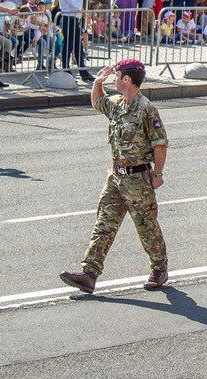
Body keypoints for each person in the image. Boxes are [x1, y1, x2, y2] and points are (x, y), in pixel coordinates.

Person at [59, 59, 170, 294]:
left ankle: (160, 268)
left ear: (126, 80)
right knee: (104, 225)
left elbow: (160, 144)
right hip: (116, 178)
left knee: (146, 227)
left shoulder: (146, 109)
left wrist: (158, 174)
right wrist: (97, 83)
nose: (114, 79)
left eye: (116, 76)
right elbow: (98, 102)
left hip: (138, 179)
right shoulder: (117, 104)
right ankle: (89, 274)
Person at [57, 0, 94, 82]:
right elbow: (76, 6)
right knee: (67, 45)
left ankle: (83, 71)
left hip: (75, 19)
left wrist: (84, 13)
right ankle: (65, 69)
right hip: (68, 19)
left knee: (78, 46)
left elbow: (79, 7)